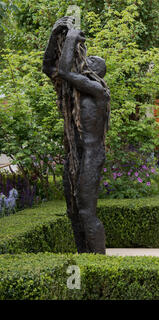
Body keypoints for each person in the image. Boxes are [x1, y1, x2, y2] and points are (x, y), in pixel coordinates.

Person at [43, 17, 109, 254]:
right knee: (73, 211)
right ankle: (85, 259)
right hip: (75, 155)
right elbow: (49, 68)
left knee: (86, 211)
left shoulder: (98, 90)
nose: (85, 60)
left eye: (90, 60)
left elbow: (63, 70)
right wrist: (54, 36)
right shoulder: (74, 90)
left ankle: (99, 264)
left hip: (91, 156)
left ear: (96, 70)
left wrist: (71, 38)